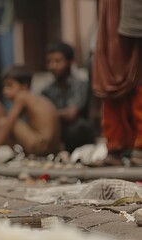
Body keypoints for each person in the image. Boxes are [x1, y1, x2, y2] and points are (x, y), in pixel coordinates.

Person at [92, 0, 142, 166]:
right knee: (111, 77)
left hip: (133, 19)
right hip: (113, 15)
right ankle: (115, 149)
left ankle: (139, 149)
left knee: (137, 79)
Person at [0, 66, 61, 157]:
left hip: (40, 145)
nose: (5, 90)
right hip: (54, 148)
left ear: (24, 86)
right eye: (4, 86)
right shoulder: (35, 98)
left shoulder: (21, 96)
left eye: (10, 85)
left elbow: (8, 125)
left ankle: (14, 154)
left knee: (4, 122)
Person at [42, 42, 95, 152]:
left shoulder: (80, 84)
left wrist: (51, 115)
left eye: (57, 61)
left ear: (69, 62)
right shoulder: (47, 89)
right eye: (49, 62)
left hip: (76, 133)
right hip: (56, 129)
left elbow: (72, 114)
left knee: (77, 127)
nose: (53, 66)